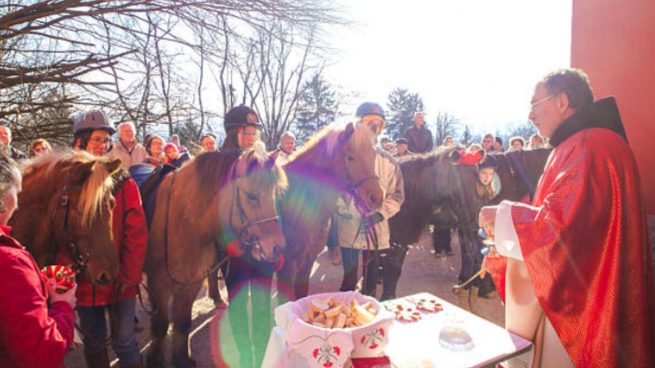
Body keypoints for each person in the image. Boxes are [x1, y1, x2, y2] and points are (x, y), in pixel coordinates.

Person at [479, 69, 655, 367]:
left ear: (562, 101)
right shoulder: (593, 142)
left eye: (535, 104)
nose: (530, 115)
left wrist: (503, 217)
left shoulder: (587, 146)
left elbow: (562, 231)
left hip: (580, 305)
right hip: (596, 288)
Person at [67, 110, 148, 368]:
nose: (102, 146)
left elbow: (136, 233)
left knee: (125, 342)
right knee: (94, 343)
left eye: (105, 140)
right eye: (96, 140)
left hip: (119, 279)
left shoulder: (123, 183)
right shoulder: (67, 183)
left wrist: (130, 276)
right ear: (79, 142)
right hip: (83, 282)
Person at [0, 153, 77, 367]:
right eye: (16, 189)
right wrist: (63, 305)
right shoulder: (11, 264)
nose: (19, 197)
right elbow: (43, 353)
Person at [219, 105, 275, 367]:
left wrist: (279, 244)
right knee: (239, 307)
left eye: (254, 132)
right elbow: (215, 210)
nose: (251, 137)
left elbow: (274, 207)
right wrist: (227, 239)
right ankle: (244, 357)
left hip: (263, 250)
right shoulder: (219, 166)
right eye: (245, 132)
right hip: (237, 251)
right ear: (232, 134)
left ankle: (263, 355)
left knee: (263, 306)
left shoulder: (264, 162)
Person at [335, 102, 404, 301]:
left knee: (371, 279)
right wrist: (343, 209)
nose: (375, 127)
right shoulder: (345, 156)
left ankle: (369, 321)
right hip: (349, 227)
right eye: (369, 122)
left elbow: (397, 195)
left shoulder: (389, 161)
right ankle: (345, 319)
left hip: (376, 229)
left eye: (379, 123)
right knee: (348, 279)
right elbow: (334, 189)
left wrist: (380, 214)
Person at [456, 155, 498, 312]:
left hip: (482, 233)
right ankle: (463, 304)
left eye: (490, 174)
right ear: (477, 174)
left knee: (479, 265)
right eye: (484, 173)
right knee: (468, 264)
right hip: (468, 231)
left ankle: (472, 301)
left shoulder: (488, 191)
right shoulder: (469, 190)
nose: (487, 177)